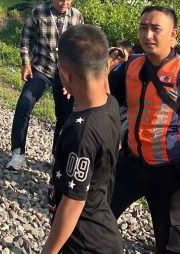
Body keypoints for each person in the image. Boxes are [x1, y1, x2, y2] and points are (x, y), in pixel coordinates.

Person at [108, 6, 180, 254]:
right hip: (132, 164)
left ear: (173, 35)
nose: (148, 35)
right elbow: (104, 91)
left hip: (174, 174)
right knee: (94, 217)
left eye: (156, 29)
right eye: (143, 28)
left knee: (174, 247)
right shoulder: (131, 66)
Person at [43, 25, 123, 254]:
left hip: (84, 243)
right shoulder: (111, 105)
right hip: (101, 230)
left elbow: (73, 202)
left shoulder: (81, 133)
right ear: (106, 67)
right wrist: (76, 85)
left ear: (64, 73)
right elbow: (102, 84)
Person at [6, 0, 84, 171]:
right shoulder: (38, 12)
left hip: (65, 74)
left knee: (64, 115)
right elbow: (26, 39)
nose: (64, 3)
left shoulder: (76, 16)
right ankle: (18, 154)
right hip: (42, 69)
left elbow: (80, 46)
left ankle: (57, 155)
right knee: (24, 104)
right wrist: (26, 63)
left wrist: (75, 74)